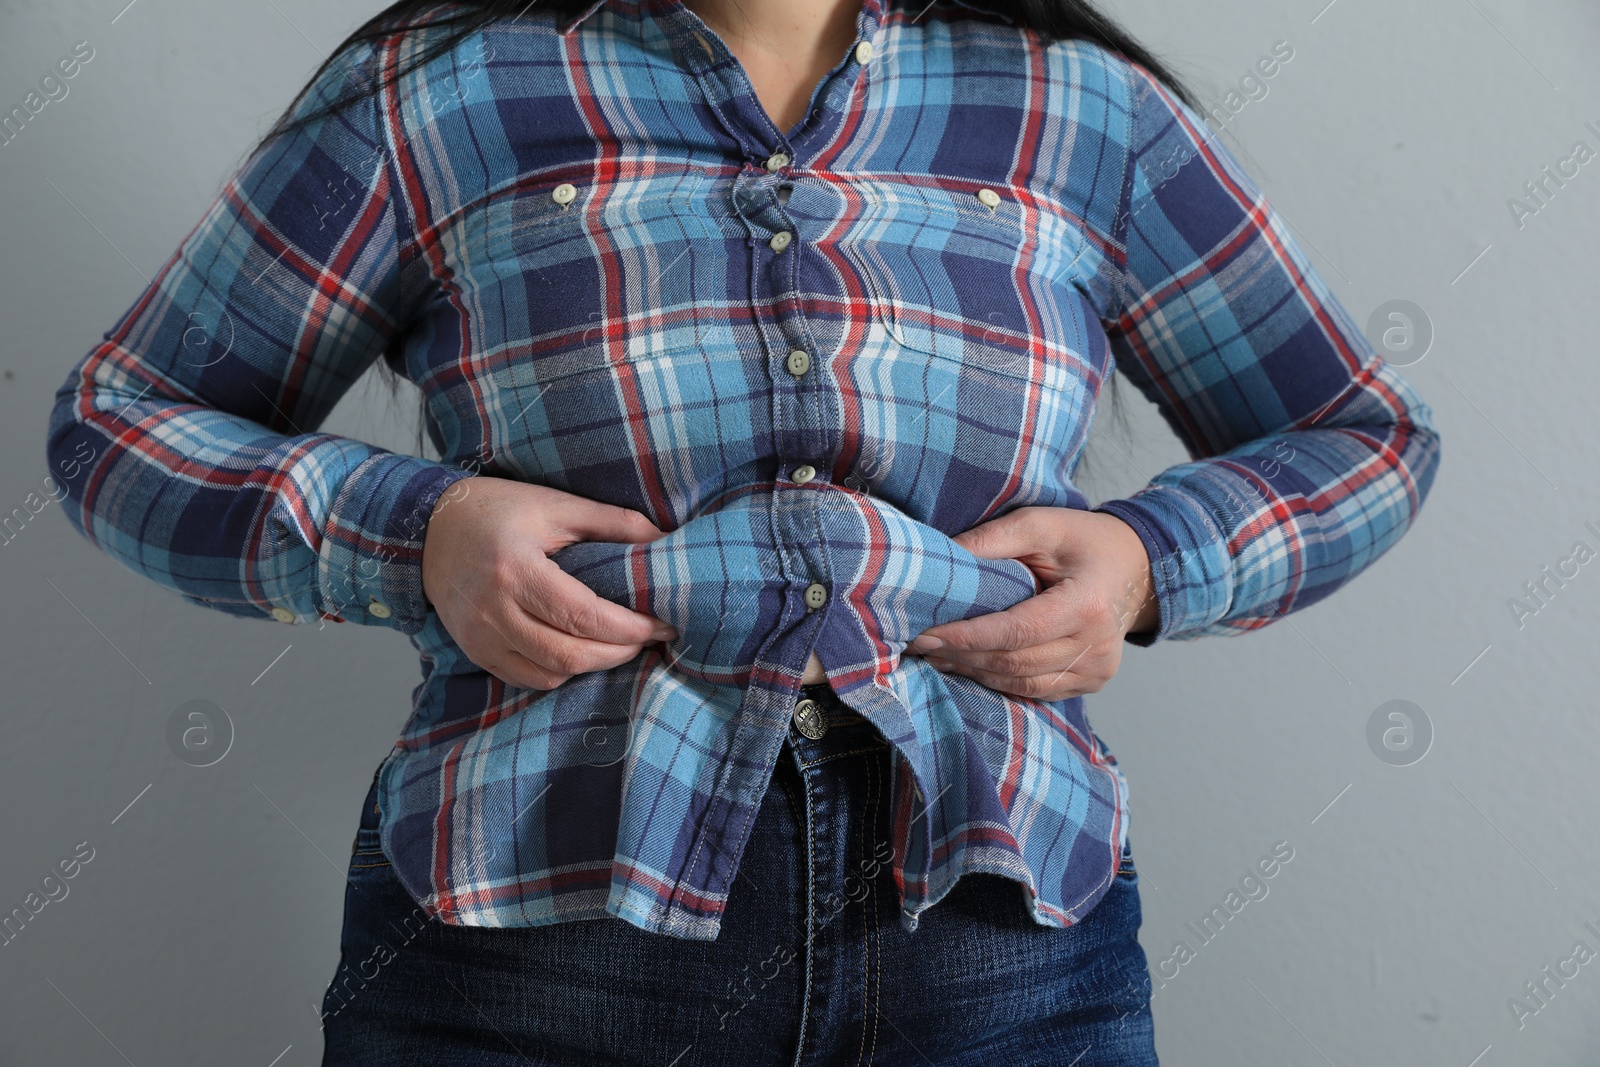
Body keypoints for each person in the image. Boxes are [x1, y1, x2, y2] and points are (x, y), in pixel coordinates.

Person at [44, 0, 1441, 1063]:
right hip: (532, 936)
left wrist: (1148, 565)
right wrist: (413, 537)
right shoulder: (435, 97)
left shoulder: (1085, 111)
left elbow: (1360, 439)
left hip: (998, 938)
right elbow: (122, 421)